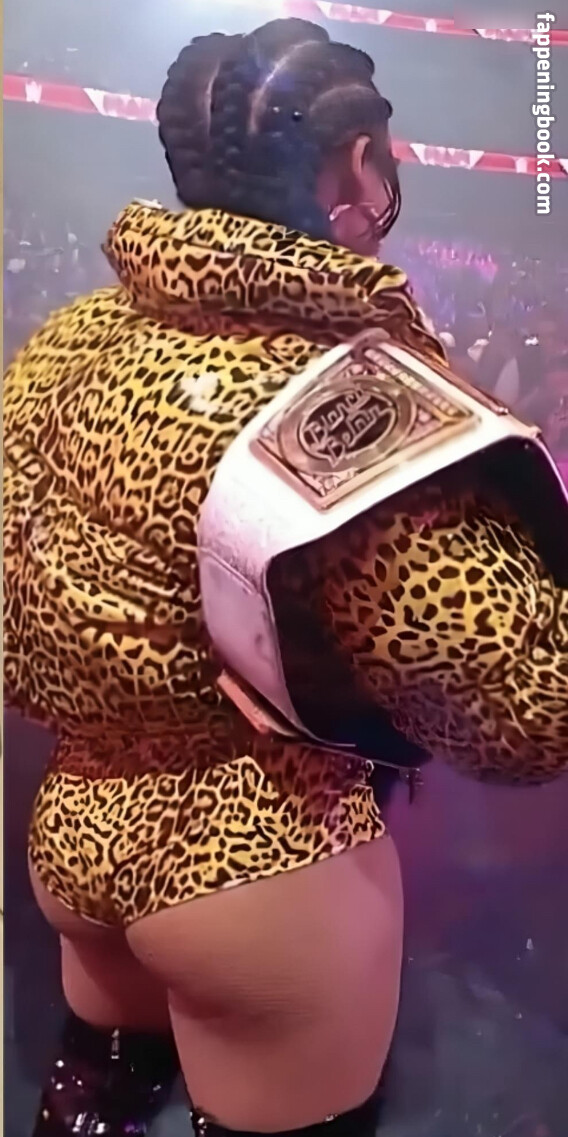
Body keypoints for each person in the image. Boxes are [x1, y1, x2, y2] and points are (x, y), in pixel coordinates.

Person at [4, 17, 568, 1137]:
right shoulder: (353, 400)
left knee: (93, 1095)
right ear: (357, 166)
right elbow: (523, 714)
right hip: (260, 864)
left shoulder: (67, 340)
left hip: (72, 829)